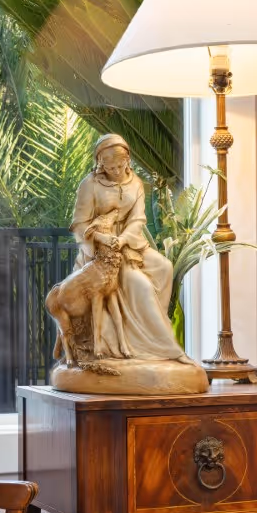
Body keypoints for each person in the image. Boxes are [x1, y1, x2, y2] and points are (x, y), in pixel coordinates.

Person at [68, 134, 187, 363]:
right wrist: (103, 238)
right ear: (100, 163)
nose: (115, 170)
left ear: (128, 160)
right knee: (140, 284)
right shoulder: (90, 184)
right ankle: (163, 348)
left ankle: (149, 334)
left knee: (164, 267)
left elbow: (138, 219)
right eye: (109, 166)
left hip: (130, 243)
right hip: (103, 250)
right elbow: (79, 224)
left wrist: (123, 239)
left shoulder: (135, 183)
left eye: (119, 165)